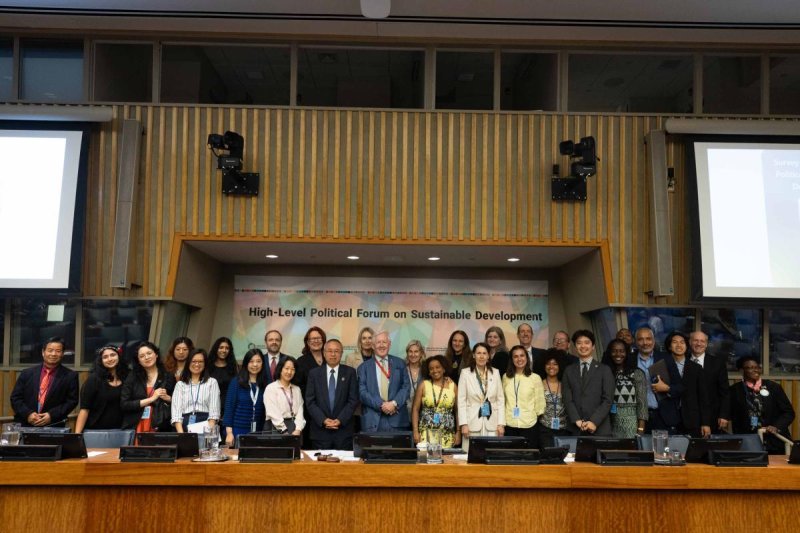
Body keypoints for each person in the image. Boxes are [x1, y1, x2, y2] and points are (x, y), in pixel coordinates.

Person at [729, 355, 795, 454]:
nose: (755, 370)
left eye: (757, 367)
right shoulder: (734, 390)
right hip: (748, 444)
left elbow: (788, 413)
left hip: (774, 442)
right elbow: (729, 414)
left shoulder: (773, 387)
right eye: (750, 368)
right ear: (742, 371)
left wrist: (776, 426)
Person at [649, 331, 710, 437]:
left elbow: (703, 397)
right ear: (669, 346)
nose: (679, 345)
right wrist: (668, 389)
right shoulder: (660, 365)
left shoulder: (696, 368)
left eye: (682, 342)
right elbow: (658, 389)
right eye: (675, 342)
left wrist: (705, 423)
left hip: (691, 418)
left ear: (687, 346)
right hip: (667, 418)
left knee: (691, 452)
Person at [11, 337, 79, 428]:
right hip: (25, 424)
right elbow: (15, 398)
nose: (53, 354)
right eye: (50, 350)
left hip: (54, 425)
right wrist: (28, 414)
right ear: (43, 352)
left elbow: (72, 401)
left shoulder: (70, 376)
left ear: (62, 354)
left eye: (58, 351)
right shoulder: (26, 373)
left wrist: (51, 415)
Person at [304, 339, 359, 450]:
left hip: (344, 432)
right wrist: (323, 420)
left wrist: (340, 420)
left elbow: (353, 400)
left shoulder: (350, 372)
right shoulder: (314, 374)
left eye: (336, 351)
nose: (333, 354)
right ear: (324, 353)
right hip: (320, 433)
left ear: (341, 354)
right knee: (319, 467)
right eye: (329, 351)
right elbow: (310, 401)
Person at [562, 330, 614, 436]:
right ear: (575, 347)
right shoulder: (569, 370)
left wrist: (594, 421)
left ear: (593, 346)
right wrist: (576, 420)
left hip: (599, 428)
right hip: (576, 428)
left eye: (587, 342)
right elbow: (567, 399)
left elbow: (608, 399)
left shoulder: (604, 369)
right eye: (579, 343)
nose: (583, 346)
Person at [357, 331, 411, 432]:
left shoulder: (400, 363)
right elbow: (362, 392)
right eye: (378, 342)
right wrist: (381, 405)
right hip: (373, 423)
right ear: (373, 346)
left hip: (397, 420)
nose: (381, 345)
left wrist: (393, 404)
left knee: (398, 448)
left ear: (389, 344)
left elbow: (406, 387)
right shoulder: (363, 368)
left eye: (384, 342)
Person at [457, 342, 505, 451]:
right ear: (474, 355)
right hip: (471, 423)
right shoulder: (465, 373)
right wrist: (463, 424)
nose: (481, 356)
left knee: (491, 454)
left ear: (488, 356)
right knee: (471, 456)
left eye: (484, 353)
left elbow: (500, 400)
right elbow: (461, 401)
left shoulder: (496, 373)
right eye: (478, 353)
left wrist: (501, 424)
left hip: (493, 423)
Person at [121, 341, 175, 433]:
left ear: (156, 354)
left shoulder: (168, 376)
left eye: (149, 353)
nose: (146, 357)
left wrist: (169, 398)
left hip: (160, 424)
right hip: (136, 424)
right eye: (142, 356)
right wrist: (151, 399)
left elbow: (178, 403)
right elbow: (124, 404)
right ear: (138, 360)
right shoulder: (132, 377)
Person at [75, 345, 129, 432]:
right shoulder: (94, 379)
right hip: (96, 430)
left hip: (122, 431)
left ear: (119, 356)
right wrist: (77, 436)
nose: (110, 359)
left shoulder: (127, 377)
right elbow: (84, 409)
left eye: (113, 355)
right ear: (101, 361)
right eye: (105, 357)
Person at [600, 339, 648, 438]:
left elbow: (642, 403)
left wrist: (641, 429)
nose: (618, 354)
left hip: (631, 424)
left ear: (627, 353)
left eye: (622, 351)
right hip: (609, 424)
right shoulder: (605, 373)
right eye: (614, 351)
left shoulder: (637, 373)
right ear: (609, 353)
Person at [412, 355, 459, 448]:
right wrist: (415, 432)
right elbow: (415, 409)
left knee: (447, 461)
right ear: (428, 372)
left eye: (438, 367)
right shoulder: (423, 385)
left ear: (444, 369)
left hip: (447, 434)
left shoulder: (452, 386)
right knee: (426, 461)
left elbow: (457, 410)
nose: (435, 370)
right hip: (426, 433)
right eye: (431, 368)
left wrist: (458, 432)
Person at [502, 345, 545, 448]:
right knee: (511, 459)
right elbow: (502, 400)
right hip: (509, 424)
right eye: (515, 356)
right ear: (512, 359)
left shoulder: (535, 378)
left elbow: (540, 402)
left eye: (522, 355)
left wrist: (534, 416)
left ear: (527, 358)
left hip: (529, 424)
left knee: (528, 459)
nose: (519, 359)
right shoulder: (505, 377)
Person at [223, 348, 267, 447]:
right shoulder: (236, 382)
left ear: (263, 364)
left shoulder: (264, 384)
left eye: (258, 361)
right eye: (251, 361)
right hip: (237, 431)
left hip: (258, 433)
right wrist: (229, 433)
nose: (255, 365)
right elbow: (229, 408)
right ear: (246, 364)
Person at [689, 330, 730, 433]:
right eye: (695, 341)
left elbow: (725, 392)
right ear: (690, 342)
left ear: (706, 344)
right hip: (688, 417)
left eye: (702, 341)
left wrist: (723, 415)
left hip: (713, 417)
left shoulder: (717, 363)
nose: (699, 344)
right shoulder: (683, 361)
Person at [171, 348, 221, 433]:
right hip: (184, 426)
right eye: (193, 361)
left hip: (207, 425)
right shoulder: (180, 385)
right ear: (188, 363)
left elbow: (214, 413)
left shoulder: (212, 382)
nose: (197, 364)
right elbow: (176, 414)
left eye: (200, 361)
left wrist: (207, 434)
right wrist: (182, 435)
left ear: (205, 364)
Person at [264, 356, 305, 436]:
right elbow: (273, 412)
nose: (289, 372)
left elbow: (300, 411)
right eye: (286, 368)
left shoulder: (297, 389)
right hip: (276, 428)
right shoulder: (271, 388)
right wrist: (284, 430)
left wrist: (298, 429)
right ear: (280, 369)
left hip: (295, 429)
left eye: (293, 369)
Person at [634, 326, 664, 431]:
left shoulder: (666, 358)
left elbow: (679, 386)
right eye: (640, 339)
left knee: (663, 447)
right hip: (636, 417)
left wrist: (667, 388)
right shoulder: (629, 360)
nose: (645, 343)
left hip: (662, 416)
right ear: (636, 342)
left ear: (654, 341)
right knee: (640, 447)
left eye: (648, 339)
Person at [538, 350, 569, 448]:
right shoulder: (538, 384)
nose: (551, 367)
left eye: (555, 364)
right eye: (548, 364)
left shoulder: (566, 384)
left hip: (564, 430)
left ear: (560, 365)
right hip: (544, 430)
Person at [208, 336, 238, 417]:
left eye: (227, 348)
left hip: (226, 408)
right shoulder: (207, 366)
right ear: (215, 349)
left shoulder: (234, 367)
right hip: (207, 407)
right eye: (221, 347)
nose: (224, 350)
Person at [293, 327, 326, 394]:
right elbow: (297, 387)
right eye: (313, 339)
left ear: (323, 340)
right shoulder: (300, 361)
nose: (316, 341)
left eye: (319, 338)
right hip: (308, 401)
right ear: (308, 342)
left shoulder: (330, 359)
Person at [405, 339, 425, 416]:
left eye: (416, 351)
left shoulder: (426, 370)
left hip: (422, 414)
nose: (413, 354)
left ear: (421, 353)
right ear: (407, 353)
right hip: (404, 414)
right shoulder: (401, 369)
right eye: (410, 351)